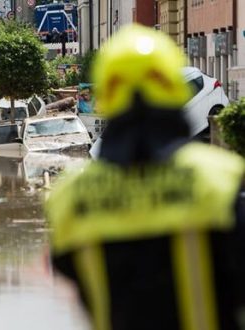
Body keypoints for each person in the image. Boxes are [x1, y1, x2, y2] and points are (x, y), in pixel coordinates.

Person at [46, 24, 245, 330]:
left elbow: (70, 271)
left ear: (107, 94)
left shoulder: (68, 198)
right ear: (172, 88)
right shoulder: (220, 179)